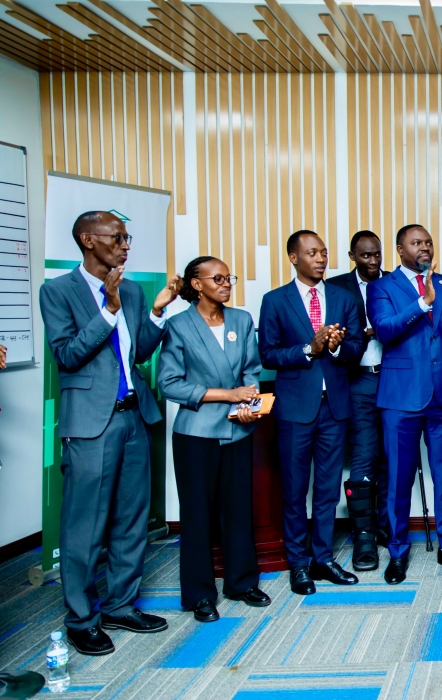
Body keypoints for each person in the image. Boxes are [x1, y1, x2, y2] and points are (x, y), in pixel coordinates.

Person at [39, 211, 182, 655]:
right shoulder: (58, 291)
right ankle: (82, 619)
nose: (125, 245)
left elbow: (138, 349)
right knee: (85, 525)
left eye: (127, 237)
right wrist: (108, 311)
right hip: (89, 424)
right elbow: (67, 356)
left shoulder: (134, 290)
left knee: (130, 518)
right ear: (87, 240)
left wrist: (156, 312)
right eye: (117, 237)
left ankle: (121, 604)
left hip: (133, 415)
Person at [368, 224, 442, 583]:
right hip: (401, 396)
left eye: (429, 243)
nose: (425, 248)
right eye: (416, 243)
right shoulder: (381, 287)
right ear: (400, 250)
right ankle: (398, 551)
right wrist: (423, 303)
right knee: (399, 478)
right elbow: (385, 330)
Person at [159, 256, 271, 622]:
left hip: (238, 428)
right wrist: (228, 395)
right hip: (196, 434)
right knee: (197, 515)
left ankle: (241, 582)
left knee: (238, 509)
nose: (226, 284)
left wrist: (249, 401)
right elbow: (169, 383)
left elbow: (252, 370)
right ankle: (198, 594)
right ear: (196, 284)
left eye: (229, 277)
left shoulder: (241, 319)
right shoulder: (178, 326)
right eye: (218, 278)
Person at [259, 230, 364, 595]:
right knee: (293, 490)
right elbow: (268, 354)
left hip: (334, 407)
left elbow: (356, 348)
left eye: (324, 253)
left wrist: (335, 348)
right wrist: (309, 347)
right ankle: (298, 564)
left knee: (328, 489)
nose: (321, 259)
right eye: (312, 253)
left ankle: (323, 558)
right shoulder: (275, 301)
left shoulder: (342, 297)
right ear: (293, 258)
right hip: (294, 409)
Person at [327, 230, 391, 572]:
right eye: (365, 256)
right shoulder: (336, 288)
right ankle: (363, 539)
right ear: (352, 256)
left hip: (393, 379)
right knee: (365, 454)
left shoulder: (395, 283)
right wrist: (361, 334)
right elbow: (329, 332)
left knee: (392, 458)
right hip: (357, 381)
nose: (373, 262)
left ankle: (384, 527)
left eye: (377, 255)